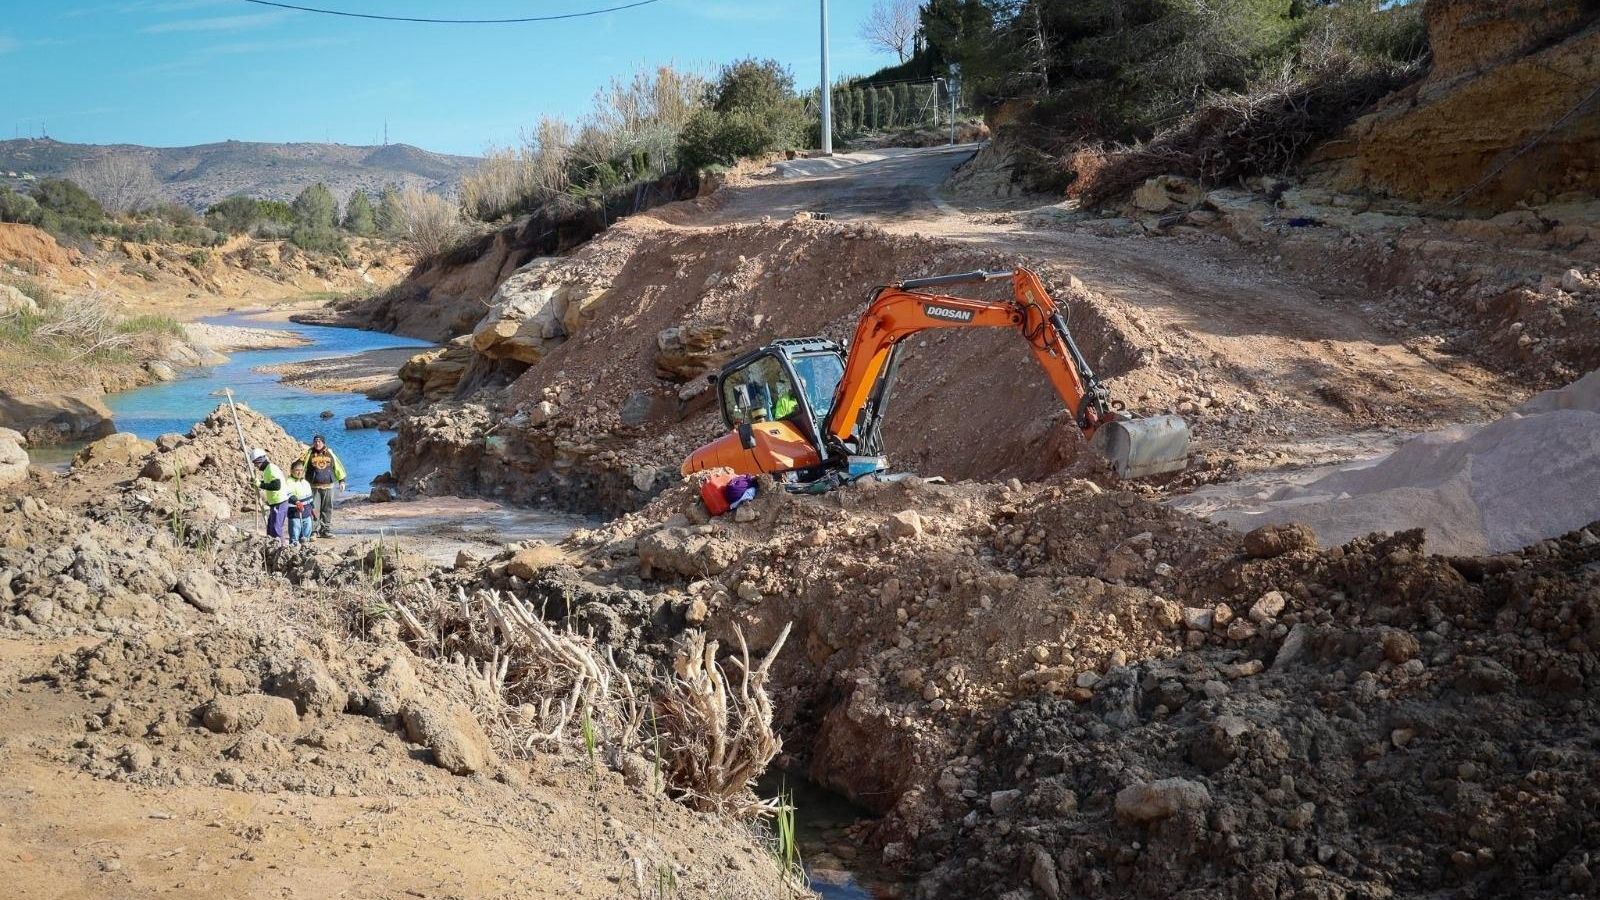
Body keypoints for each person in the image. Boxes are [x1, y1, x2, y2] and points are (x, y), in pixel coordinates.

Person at [301, 434, 345, 538]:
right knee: (315, 509)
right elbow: (300, 466)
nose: (317, 443)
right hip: (313, 487)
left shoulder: (330, 454)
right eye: (315, 441)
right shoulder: (309, 454)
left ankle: (326, 530)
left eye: (319, 441)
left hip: (328, 486)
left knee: (327, 509)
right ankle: (314, 531)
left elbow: (338, 467)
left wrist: (342, 481)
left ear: (323, 443)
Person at [251, 448, 290, 544]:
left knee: (276, 528)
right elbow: (270, 482)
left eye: (256, 464)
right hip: (274, 503)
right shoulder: (267, 470)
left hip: (280, 502)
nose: (256, 466)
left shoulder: (271, 469)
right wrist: (259, 483)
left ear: (260, 461)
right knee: (270, 529)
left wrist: (260, 485)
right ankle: (271, 547)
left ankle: (282, 548)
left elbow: (276, 486)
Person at [285, 461, 315, 546]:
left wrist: (313, 508)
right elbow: (289, 494)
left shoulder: (305, 483)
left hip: (307, 513)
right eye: (297, 470)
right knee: (295, 536)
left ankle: (305, 550)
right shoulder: (289, 482)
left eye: (301, 470)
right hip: (295, 513)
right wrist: (297, 502)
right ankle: (293, 549)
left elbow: (310, 498)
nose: (299, 472)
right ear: (291, 471)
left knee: (306, 537)